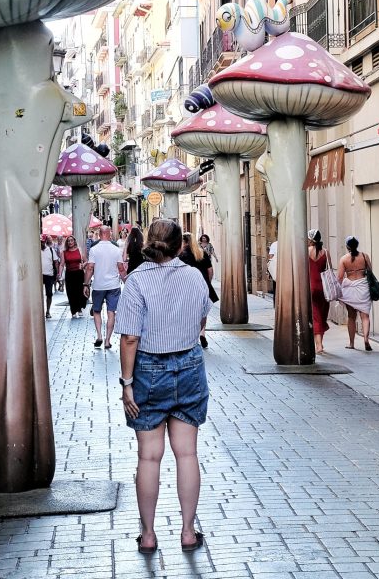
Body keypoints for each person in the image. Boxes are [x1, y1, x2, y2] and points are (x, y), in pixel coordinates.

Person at [114, 219, 213, 554]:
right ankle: (187, 531)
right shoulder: (194, 277)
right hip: (188, 366)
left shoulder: (136, 282)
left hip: (147, 370)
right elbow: (202, 320)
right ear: (179, 246)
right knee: (187, 453)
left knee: (149, 458)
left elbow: (129, 338)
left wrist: (127, 384)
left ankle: (149, 534)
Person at [83, 225, 126, 349]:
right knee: (111, 312)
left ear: (100, 234)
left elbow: (90, 268)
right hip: (113, 285)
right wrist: (127, 282)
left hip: (98, 285)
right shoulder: (116, 249)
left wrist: (86, 284)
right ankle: (107, 340)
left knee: (96, 311)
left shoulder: (94, 250)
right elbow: (121, 269)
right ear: (109, 234)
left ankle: (99, 336)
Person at [179, 232, 217, 349]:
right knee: (203, 311)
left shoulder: (181, 255)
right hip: (203, 285)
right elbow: (210, 270)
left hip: (187, 287)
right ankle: (202, 332)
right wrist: (207, 283)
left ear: (183, 242)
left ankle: (191, 335)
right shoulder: (201, 253)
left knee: (188, 311)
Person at [338, 236, 373, 351]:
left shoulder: (344, 259)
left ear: (347, 246)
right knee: (365, 316)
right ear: (357, 245)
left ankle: (352, 343)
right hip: (363, 287)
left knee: (351, 317)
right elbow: (370, 272)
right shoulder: (364, 256)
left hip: (350, 290)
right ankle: (366, 339)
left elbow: (340, 277)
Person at [308, 229, 330, 355]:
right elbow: (329, 269)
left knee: (315, 316)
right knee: (321, 316)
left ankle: (319, 345)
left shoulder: (307, 251)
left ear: (310, 239)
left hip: (311, 286)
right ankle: (320, 343)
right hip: (323, 288)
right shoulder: (325, 252)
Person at [61, 236, 88, 318]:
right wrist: (59, 274)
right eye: (68, 241)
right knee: (70, 292)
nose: (70, 242)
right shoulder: (64, 252)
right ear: (67, 243)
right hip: (69, 274)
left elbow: (86, 260)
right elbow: (62, 264)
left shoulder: (79, 250)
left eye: (71, 240)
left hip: (79, 273)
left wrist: (83, 265)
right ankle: (73, 310)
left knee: (79, 291)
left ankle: (79, 309)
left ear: (74, 241)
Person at [41, 235, 60, 319]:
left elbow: (56, 262)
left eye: (42, 241)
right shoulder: (35, 250)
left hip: (49, 275)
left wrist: (57, 273)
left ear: (45, 241)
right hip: (38, 276)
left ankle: (48, 311)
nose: (41, 243)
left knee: (49, 294)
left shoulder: (51, 250)